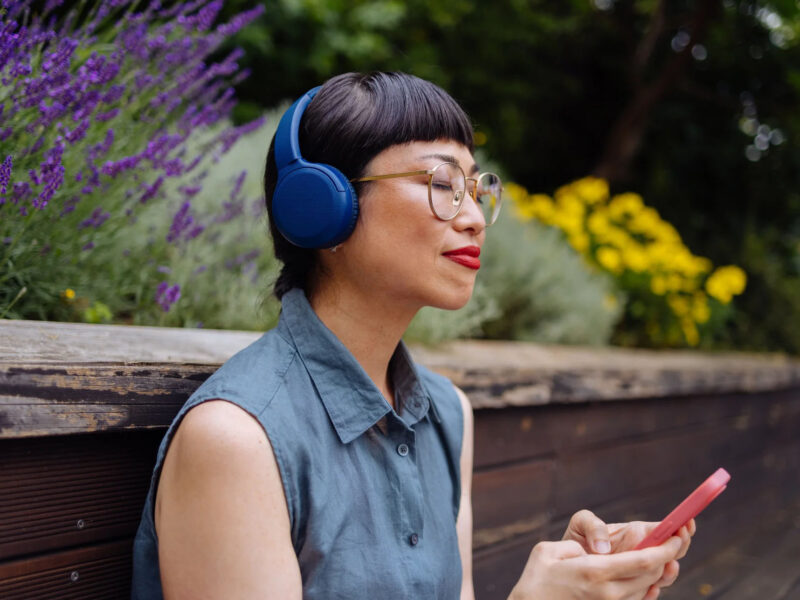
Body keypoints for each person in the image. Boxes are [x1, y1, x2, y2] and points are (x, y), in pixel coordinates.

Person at [131, 71, 694, 600]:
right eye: (443, 183)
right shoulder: (236, 440)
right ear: (322, 207)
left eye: (475, 189)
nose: (473, 215)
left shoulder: (448, 414)